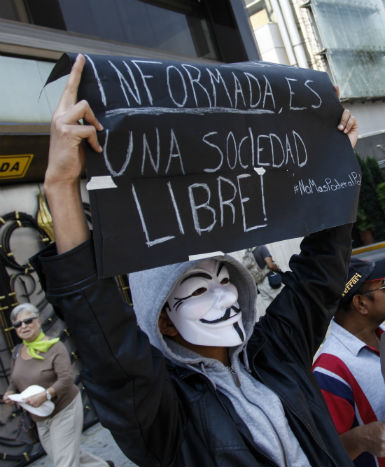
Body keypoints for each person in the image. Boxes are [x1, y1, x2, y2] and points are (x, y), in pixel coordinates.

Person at [32, 54, 359, 466]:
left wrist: (334, 159)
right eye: (200, 289)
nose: (226, 298)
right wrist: (60, 185)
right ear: (163, 317)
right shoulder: (162, 414)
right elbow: (103, 338)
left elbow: (321, 272)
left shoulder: (277, 353)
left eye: (226, 280)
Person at [313, 257, 385, 466]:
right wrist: (360, 439)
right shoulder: (329, 371)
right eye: (383, 287)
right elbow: (323, 455)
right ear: (361, 304)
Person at [3, 303, 111, 467]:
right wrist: (10, 392)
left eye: (28, 321)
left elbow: (66, 379)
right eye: (18, 324)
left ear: (38, 321)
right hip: (40, 417)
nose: (23, 326)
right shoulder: (17, 351)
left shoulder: (54, 347)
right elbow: (14, 380)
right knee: (66, 455)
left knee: (64, 462)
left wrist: (45, 395)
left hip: (64, 409)